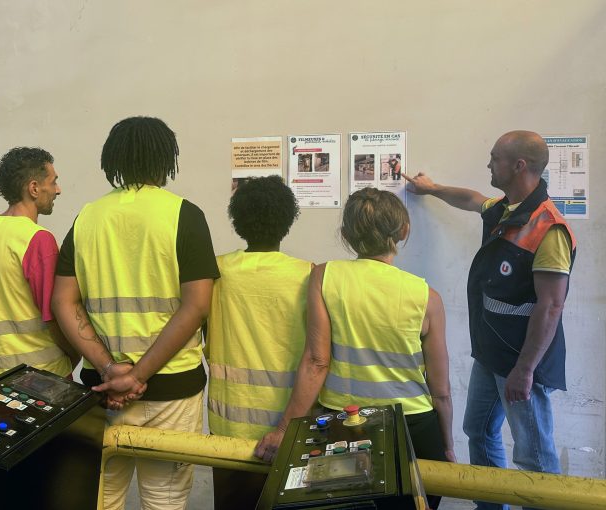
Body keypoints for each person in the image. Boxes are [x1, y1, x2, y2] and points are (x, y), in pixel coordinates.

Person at [52, 116, 219, 510]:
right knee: (165, 500)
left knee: (101, 497)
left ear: (114, 159)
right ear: (166, 159)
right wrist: (138, 376)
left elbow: (63, 301)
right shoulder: (184, 215)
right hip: (172, 390)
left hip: (103, 390)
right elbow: (196, 305)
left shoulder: (87, 217)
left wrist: (111, 371)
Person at [405, 130, 576, 510]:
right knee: (478, 431)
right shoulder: (506, 210)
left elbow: (551, 306)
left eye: (494, 158)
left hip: (521, 362)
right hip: (492, 354)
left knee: (534, 457)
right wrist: (430, 189)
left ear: (518, 166)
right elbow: (471, 199)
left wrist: (525, 370)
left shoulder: (549, 228)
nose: (488, 164)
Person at [255, 187, 455, 509]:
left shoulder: (324, 277)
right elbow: (441, 390)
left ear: (346, 234)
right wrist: (446, 445)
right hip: (414, 429)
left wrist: (283, 430)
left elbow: (317, 362)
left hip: (344, 427)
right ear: (404, 231)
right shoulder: (427, 297)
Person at [206, 176, 312, 510]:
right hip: (290, 426)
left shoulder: (217, 272)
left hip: (227, 427)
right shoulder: (308, 275)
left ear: (238, 220)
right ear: (287, 221)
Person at [0, 147, 79, 386]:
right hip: (40, 377)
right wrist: (74, 355)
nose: (58, 190)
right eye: (54, 182)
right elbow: (55, 315)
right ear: (34, 188)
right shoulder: (38, 239)